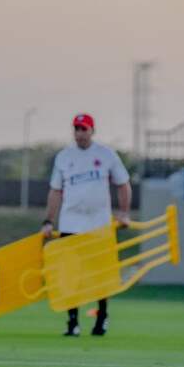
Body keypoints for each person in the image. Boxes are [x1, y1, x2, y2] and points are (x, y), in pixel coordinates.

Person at [42, 113, 132, 337]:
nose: (80, 133)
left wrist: (124, 213)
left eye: (84, 129)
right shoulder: (64, 157)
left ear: (92, 130)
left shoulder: (106, 154)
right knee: (70, 274)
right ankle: (72, 322)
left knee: (100, 274)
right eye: (76, 129)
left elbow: (123, 184)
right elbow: (55, 191)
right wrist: (47, 221)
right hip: (71, 222)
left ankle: (101, 318)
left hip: (99, 224)